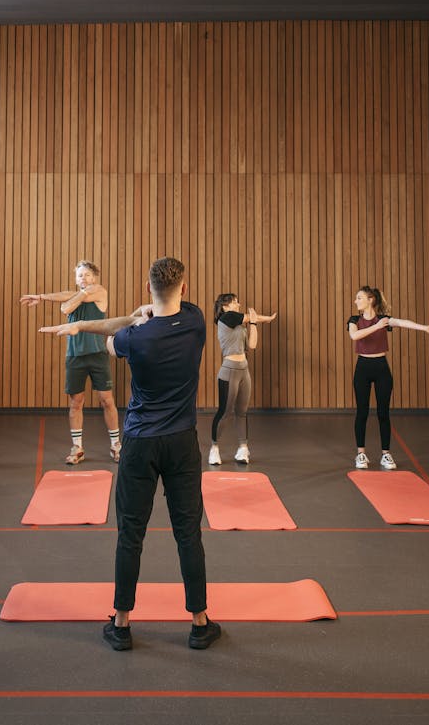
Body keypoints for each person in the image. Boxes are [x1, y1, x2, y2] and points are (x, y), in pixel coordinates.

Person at [45, 256, 220, 652]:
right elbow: (162, 313)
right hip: (181, 443)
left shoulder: (133, 338)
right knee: (188, 534)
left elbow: (112, 337)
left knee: (130, 534)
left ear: (146, 289)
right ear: (185, 289)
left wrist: (88, 323)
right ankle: (199, 623)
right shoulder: (195, 322)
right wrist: (144, 314)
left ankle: (121, 624)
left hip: (140, 444)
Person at [20, 261, 121, 464]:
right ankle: (78, 447)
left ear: (94, 278)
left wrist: (70, 301)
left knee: (106, 400)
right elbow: (67, 296)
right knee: (76, 402)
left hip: (97, 355)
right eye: (79, 276)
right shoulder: (78, 294)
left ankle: (116, 444)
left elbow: (66, 306)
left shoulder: (100, 291)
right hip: (75, 356)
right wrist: (41, 297)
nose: (83, 279)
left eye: (87, 275)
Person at [347, 285, 429, 470]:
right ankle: (360, 454)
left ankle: (386, 454)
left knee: (383, 413)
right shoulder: (354, 319)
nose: (356, 301)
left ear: (370, 300)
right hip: (363, 368)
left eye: (359, 298)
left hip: (381, 367)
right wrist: (376, 327)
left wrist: (424, 328)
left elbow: (404, 322)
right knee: (362, 412)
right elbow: (354, 336)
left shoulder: (384, 319)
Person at [208, 293, 276, 465]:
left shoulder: (241, 326)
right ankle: (214, 448)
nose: (238, 304)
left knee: (242, 412)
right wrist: (266, 318)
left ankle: (243, 449)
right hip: (228, 370)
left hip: (243, 370)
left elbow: (252, 345)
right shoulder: (225, 318)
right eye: (234, 302)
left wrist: (253, 322)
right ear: (225, 306)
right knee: (225, 411)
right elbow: (246, 316)